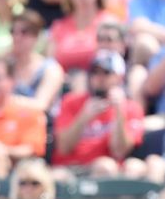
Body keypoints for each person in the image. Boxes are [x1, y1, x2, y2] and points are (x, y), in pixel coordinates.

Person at [51, 50, 148, 179]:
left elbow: (119, 151)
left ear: (119, 77)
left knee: (111, 166)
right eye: (95, 72)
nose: (99, 78)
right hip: (70, 167)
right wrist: (84, 117)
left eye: (106, 73)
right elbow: (64, 148)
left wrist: (119, 113)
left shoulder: (131, 108)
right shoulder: (70, 102)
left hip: (107, 172)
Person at [9, 9, 64, 113]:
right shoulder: (5, 66)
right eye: (13, 31)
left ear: (37, 36)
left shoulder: (51, 69)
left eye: (24, 32)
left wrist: (4, 101)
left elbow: (41, 105)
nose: (17, 37)